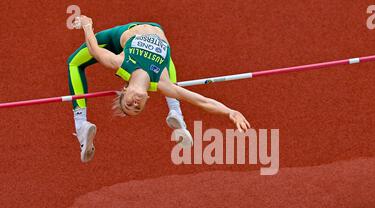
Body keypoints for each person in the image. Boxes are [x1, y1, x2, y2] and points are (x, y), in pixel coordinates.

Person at [69, 15, 251, 163]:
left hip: (119, 37)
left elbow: (94, 49)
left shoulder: (122, 63)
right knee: (169, 79)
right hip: (157, 30)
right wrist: (230, 112)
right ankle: (176, 112)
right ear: (148, 98)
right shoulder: (161, 83)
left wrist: (87, 24)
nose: (134, 104)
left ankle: (80, 123)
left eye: (129, 104)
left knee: (73, 63)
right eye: (137, 108)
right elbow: (201, 101)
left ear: (124, 91)